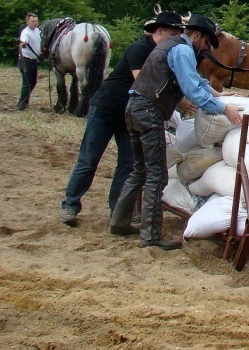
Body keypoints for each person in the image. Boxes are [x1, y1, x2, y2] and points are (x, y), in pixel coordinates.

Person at [109, 14, 244, 250]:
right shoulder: (182, 51)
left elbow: (197, 82)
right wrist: (224, 108)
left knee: (139, 169)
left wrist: (218, 94)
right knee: (156, 174)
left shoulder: (174, 46)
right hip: (149, 111)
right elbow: (192, 89)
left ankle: (119, 222)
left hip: (134, 108)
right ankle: (150, 235)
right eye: (205, 43)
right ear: (198, 36)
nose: (205, 49)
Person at [59, 12, 187, 226]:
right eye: (172, 33)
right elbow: (145, 81)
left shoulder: (165, 53)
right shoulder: (139, 50)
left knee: (127, 164)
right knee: (89, 160)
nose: (175, 39)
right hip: (106, 109)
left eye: (178, 35)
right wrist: (180, 101)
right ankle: (70, 204)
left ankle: (116, 210)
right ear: (159, 30)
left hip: (130, 115)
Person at [17, 12, 41, 110]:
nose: (35, 23)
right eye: (33, 21)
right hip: (26, 61)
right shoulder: (25, 32)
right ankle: (21, 104)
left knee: (33, 82)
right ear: (27, 22)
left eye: (36, 21)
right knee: (27, 83)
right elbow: (23, 42)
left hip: (34, 61)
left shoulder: (37, 30)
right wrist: (24, 44)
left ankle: (25, 101)